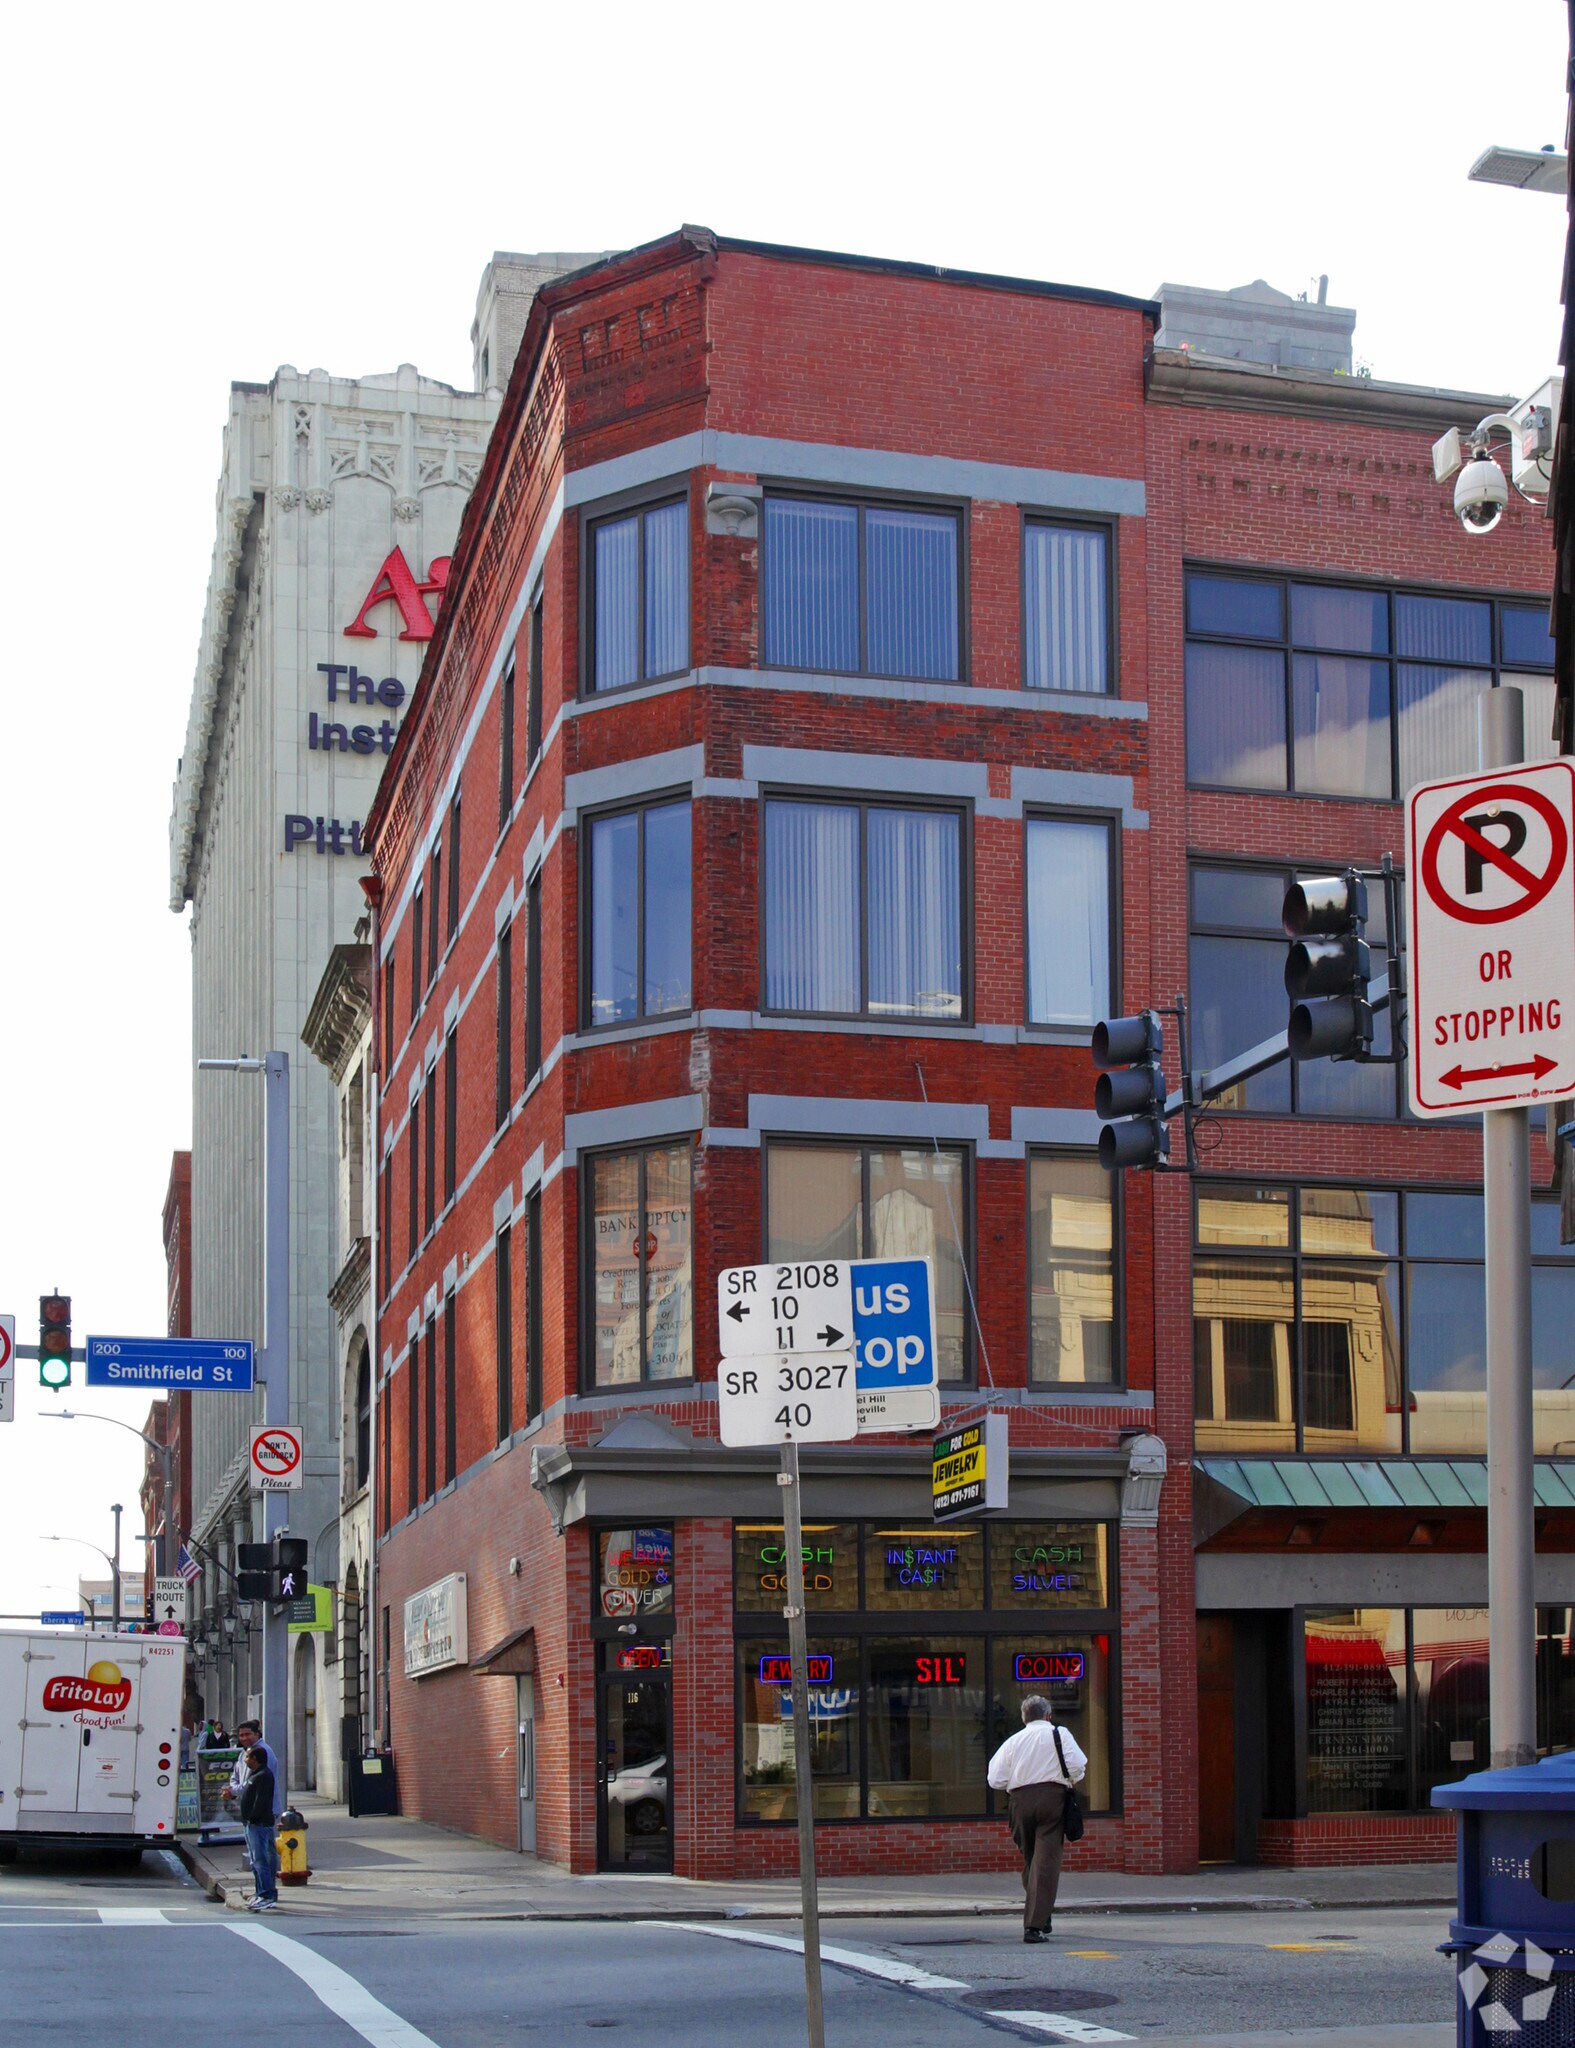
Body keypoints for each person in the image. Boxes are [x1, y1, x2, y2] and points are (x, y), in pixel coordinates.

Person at [986, 1694, 1088, 1943]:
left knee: (1031, 1861)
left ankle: (1041, 1913)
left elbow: (995, 1779)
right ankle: (1034, 1925)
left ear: (1024, 1718)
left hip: (1019, 1802)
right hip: (1052, 1799)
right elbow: (1078, 1765)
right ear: (1047, 1715)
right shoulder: (1059, 1734)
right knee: (1045, 1863)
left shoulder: (1013, 1741)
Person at [237, 1746, 279, 1911]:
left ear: (255, 1759)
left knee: (260, 1860)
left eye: (247, 1757)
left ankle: (266, 1894)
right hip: (255, 1824)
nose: (245, 1759)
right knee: (259, 1860)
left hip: (259, 1824)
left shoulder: (264, 1775)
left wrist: (251, 1818)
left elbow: (261, 1801)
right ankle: (261, 1893)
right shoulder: (255, 1775)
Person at [221, 1720, 279, 1813]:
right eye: (241, 1735)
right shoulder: (243, 1752)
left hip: (263, 1813)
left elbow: (255, 1782)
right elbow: (234, 1777)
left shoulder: (264, 1751)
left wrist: (232, 1791)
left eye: (248, 1734)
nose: (244, 1738)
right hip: (249, 1811)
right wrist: (233, 1790)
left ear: (257, 1734)